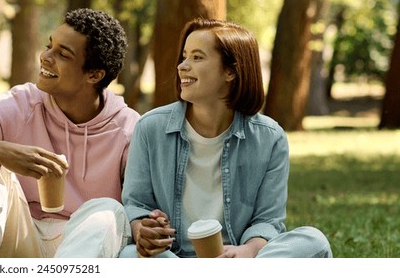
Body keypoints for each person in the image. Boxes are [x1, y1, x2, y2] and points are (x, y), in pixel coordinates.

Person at [0, 8, 139, 258]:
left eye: (63, 54)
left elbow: (143, 207)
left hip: (84, 247)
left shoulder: (129, 129)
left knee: (109, 210)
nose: (45, 57)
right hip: (19, 236)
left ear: (94, 74)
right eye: (49, 46)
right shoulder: (18, 105)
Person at [119, 19, 332, 258]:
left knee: (314, 241)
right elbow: (136, 204)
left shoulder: (270, 138)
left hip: (236, 258)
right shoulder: (150, 128)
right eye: (184, 56)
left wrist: (248, 251)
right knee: (129, 256)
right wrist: (143, 229)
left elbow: (268, 220)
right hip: (173, 258)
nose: (182, 66)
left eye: (197, 57)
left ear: (230, 71)